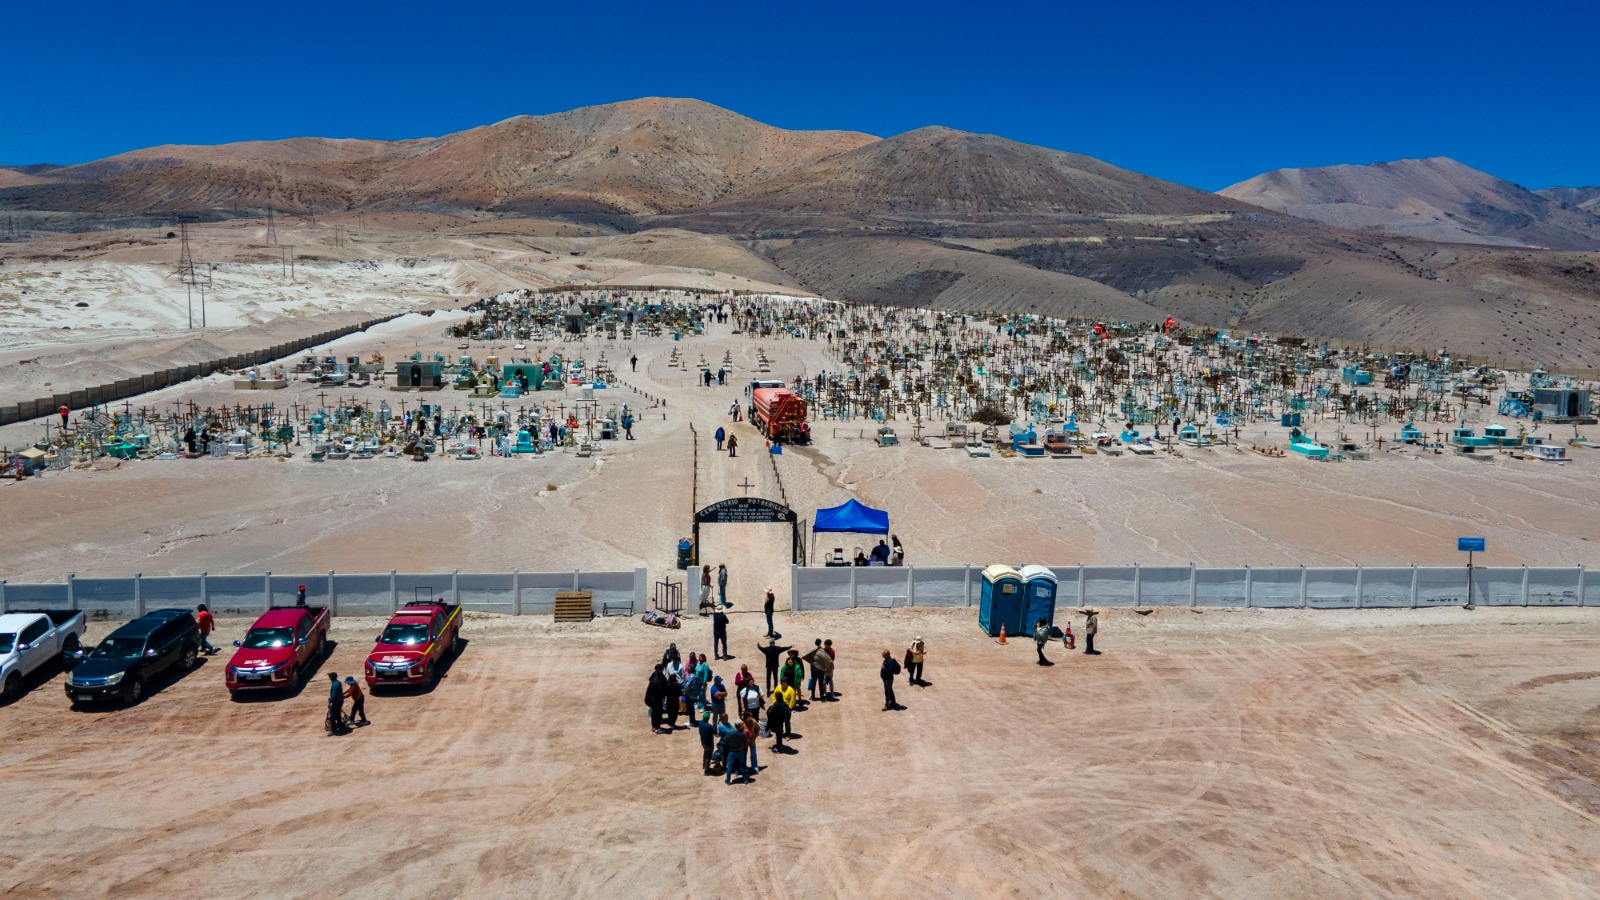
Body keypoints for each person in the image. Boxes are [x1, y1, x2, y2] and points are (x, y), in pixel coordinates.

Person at [646, 664, 668, 734]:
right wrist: (663, 699)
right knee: (658, 713)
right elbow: (663, 690)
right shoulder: (661, 679)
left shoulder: (654, 674)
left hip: (650, 697)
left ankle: (653, 726)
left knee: (654, 713)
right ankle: (657, 728)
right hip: (656, 699)